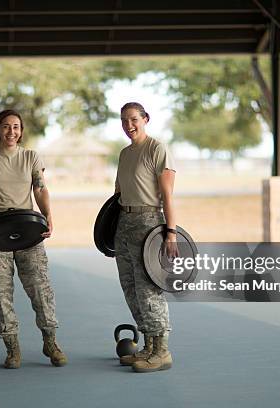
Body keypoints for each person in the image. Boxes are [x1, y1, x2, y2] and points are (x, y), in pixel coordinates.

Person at [0, 109, 67, 369]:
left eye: (15, 127)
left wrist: (48, 215)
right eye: (5, 127)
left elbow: (40, 187)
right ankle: (12, 348)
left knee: (40, 289)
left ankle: (51, 342)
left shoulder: (31, 156)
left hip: (28, 228)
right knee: (0, 292)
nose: (11, 131)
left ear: (21, 131)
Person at [114, 102, 178, 373]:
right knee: (130, 287)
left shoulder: (157, 149)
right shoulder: (125, 153)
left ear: (145, 119)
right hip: (124, 223)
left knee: (149, 288)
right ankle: (149, 346)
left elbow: (167, 195)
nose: (129, 125)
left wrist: (170, 232)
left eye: (134, 119)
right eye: (124, 120)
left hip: (149, 222)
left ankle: (162, 351)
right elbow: (117, 194)